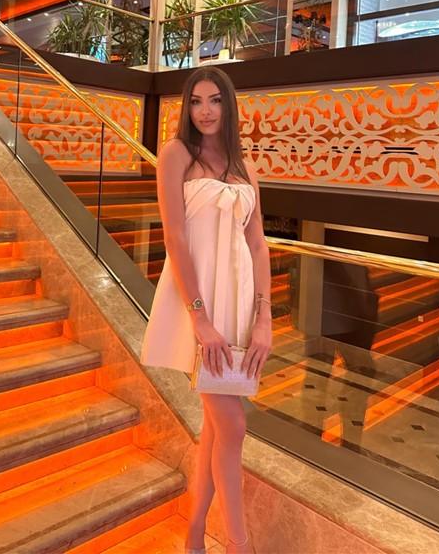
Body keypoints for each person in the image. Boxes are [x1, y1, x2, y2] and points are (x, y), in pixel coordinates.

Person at [140, 67, 273, 554]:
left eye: (215, 100)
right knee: (232, 424)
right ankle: (239, 544)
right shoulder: (176, 154)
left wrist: (264, 317)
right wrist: (198, 316)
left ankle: (194, 534)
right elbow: (175, 237)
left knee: (218, 428)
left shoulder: (244, 165)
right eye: (196, 101)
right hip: (196, 302)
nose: (205, 111)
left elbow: (257, 244)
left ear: (228, 105)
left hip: (238, 302)